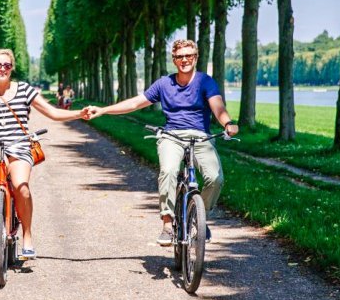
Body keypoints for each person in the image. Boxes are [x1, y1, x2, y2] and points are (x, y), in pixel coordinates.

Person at [86, 39, 239, 246]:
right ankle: (168, 223)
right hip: (172, 136)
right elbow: (135, 103)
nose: (184, 60)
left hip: (200, 135)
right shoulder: (164, 83)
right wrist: (103, 110)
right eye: (180, 56)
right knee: (168, 171)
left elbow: (218, 108)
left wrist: (228, 123)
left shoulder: (205, 81)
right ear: (174, 59)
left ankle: (199, 219)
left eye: (189, 55)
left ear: (196, 57)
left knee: (215, 177)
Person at [0, 49, 89, 258]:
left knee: (22, 187)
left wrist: (78, 114)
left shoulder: (25, 90)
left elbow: (52, 112)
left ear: (12, 68)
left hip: (19, 144)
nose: (2, 68)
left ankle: (27, 235)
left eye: (6, 65)